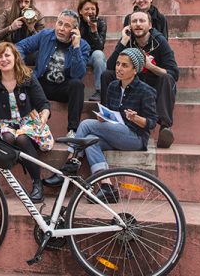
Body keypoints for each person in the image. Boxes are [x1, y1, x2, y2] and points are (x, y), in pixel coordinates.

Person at [44, 48, 157, 203]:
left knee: (85, 124)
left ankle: (69, 165)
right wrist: (104, 118)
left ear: (135, 70)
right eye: (118, 64)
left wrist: (136, 118)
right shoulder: (112, 87)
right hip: (114, 133)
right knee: (90, 140)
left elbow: (151, 123)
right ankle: (107, 187)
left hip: (135, 137)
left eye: (125, 65)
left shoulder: (146, 91)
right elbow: (110, 113)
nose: (119, 68)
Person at [0, 42, 53, 203]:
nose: (4, 59)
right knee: (7, 137)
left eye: (7, 55)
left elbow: (43, 104)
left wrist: (44, 115)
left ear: (15, 58)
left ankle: (37, 183)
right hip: (5, 124)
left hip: (29, 122)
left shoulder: (27, 77)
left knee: (22, 138)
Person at [101, 10, 178, 148]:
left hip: (153, 84)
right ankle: (107, 118)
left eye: (142, 21)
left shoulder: (159, 41)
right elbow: (111, 66)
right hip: (132, 82)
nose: (138, 24)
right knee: (106, 74)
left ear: (150, 25)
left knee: (167, 78)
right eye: (134, 21)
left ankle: (164, 129)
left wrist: (149, 66)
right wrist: (123, 41)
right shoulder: (127, 40)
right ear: (129, 25)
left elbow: (174, 73)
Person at [16, 9, 90, 137]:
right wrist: (21, 65)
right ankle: (26, 125)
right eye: (59, 23)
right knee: (27, 78)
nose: (61, 28)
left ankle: (73, 130)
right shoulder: (45, 35)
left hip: (63, 87)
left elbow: (78, 74)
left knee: (77, 85)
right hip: (41, 85)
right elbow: (20, 47)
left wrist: (76, 46)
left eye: (66, 26)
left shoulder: (83, 46)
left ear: (74, 30)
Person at [0, 0, 44, 65]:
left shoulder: (38, 16)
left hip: (29, 52)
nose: (23, 5)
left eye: (26, 2)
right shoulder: (7, 13)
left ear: (30, 3)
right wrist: (10, 28)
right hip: (9, 49)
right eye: (20, 1)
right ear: (16, 2)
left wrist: (31, 28)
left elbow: (42, 42)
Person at [77, 0, 107, 102]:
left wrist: (94, 30)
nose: (90, 12)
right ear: (80, 11)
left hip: (93, 57)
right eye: (87, 9)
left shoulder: (101, 23)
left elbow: (100, 47)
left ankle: (100, 91)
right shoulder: (76, 23)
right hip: (79, 56)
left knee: (99, 54)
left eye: (93, 9)